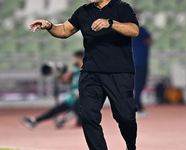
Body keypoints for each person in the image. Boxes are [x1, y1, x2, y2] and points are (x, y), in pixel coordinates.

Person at [29, 0, 139, 149]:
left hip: (119, 72)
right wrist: (49, 25)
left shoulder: (122, 7)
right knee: (87, 116)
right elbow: (63, 31)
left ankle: (130, 146)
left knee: (125, 117)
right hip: (91, 72)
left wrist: (111, 23)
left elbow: (134, 30)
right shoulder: (83, 12)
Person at [20, 50, 83, 129]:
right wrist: (58, 74)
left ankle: (64, 119)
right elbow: (65, 80)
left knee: (80, 102)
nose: (73, 60)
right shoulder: (74, 71)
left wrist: (81, 92)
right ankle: (34, 121)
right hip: (73, 98)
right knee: (56, 110)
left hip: (82, 98)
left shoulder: (86, 71)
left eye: (74, 58)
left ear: (79, 58)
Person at [132, 9, 153, 117]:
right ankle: (136, 108)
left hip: (132, 61)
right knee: (140, 85)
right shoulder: (140, 29)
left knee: (137, 85)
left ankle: (139, 107)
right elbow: (150, 40)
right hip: (140, 61)